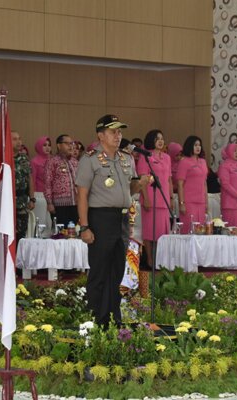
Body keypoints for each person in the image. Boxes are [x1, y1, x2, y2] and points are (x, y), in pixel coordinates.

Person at [76, 114, 149, 327]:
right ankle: (95, 319)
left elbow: (131, 189)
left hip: (122, 218)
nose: (118, 136)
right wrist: (84, 227)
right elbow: (82, 195)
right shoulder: (89, 159)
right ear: (101, 135)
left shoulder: (126, 159)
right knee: (99, 270)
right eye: (113, 132)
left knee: (117, 270)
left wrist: (141, 183)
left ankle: (112, 318)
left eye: (120, 131)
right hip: (100, 219)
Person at [136, 130, 172, 267]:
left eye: (162, 138)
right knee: (150, 232)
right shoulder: (145, 157)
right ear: (151, 140)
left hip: (163, 200)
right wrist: (145, 198)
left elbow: (169, 179)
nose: (160, 141)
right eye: (157, 139)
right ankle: (150, 259)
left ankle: (161, 259)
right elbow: (143, 180)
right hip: (150, 198)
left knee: (162, 232)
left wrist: (170, 198)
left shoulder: (167, 158)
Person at [44, 134, 79, 226]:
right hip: (59, 206)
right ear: (59, 146)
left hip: (76, 204)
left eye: (72, 143)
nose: (71, 146)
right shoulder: (52, 161)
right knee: (61, 234)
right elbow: (47, 183)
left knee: (75, 233)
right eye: (67, 143)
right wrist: (49, 203)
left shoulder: (75, 162)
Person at [176, 136, 208, 233]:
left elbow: (204, 183)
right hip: (189, 202)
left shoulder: (203, 162)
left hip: (201, 202)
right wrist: (181, 203)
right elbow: (180, 184)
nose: (198, 147)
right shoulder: (184, 162)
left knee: (201, 231)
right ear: (190, 146)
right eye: (195, 145)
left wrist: (206, 201)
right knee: (189, 230)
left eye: (199, 145)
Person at [31, 135, 53, 233]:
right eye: (44, 145)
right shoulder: (34, 161)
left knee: (49, 223)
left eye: (49, 145)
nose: (47, 147)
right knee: (40, 223)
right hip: (39, 196)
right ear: (39, 146)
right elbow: (32, 180)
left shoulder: (53, 160)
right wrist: (32, 198)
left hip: (51, 196)